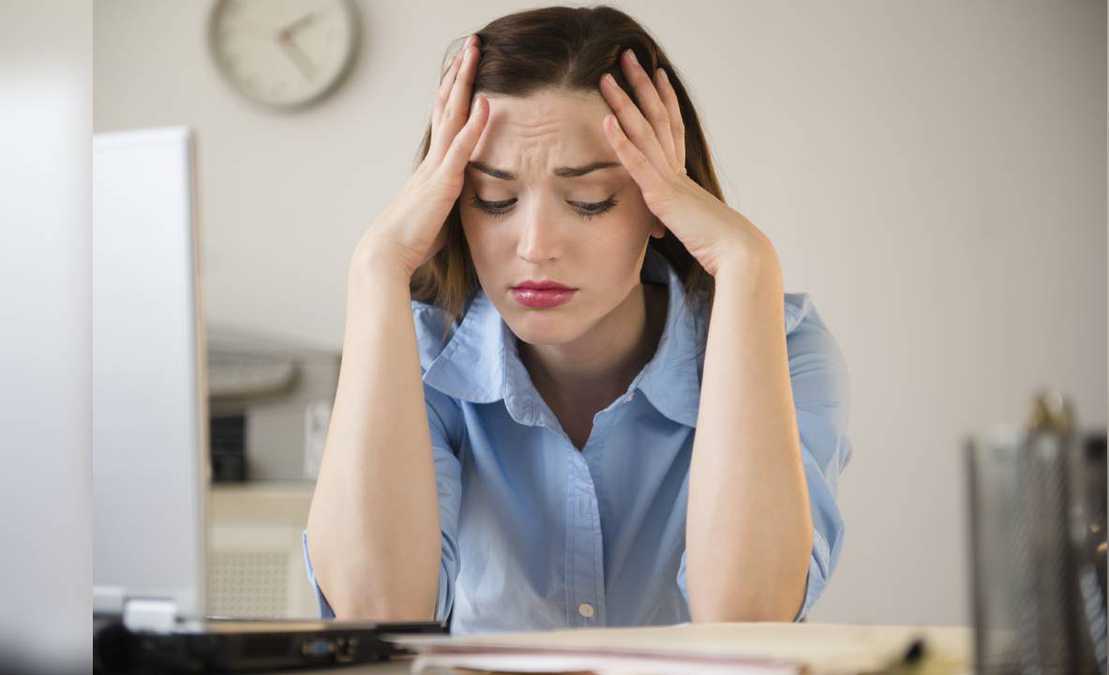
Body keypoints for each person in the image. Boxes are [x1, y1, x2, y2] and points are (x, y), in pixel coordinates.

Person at [303, 4, 852, 634]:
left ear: (659, 204)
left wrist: (745, 262)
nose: (536, 245)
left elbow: (748, 619)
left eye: (590, 201)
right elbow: (377, 616)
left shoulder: (786, 348)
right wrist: (377, 266)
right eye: (494, 199)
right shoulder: (421, 355)